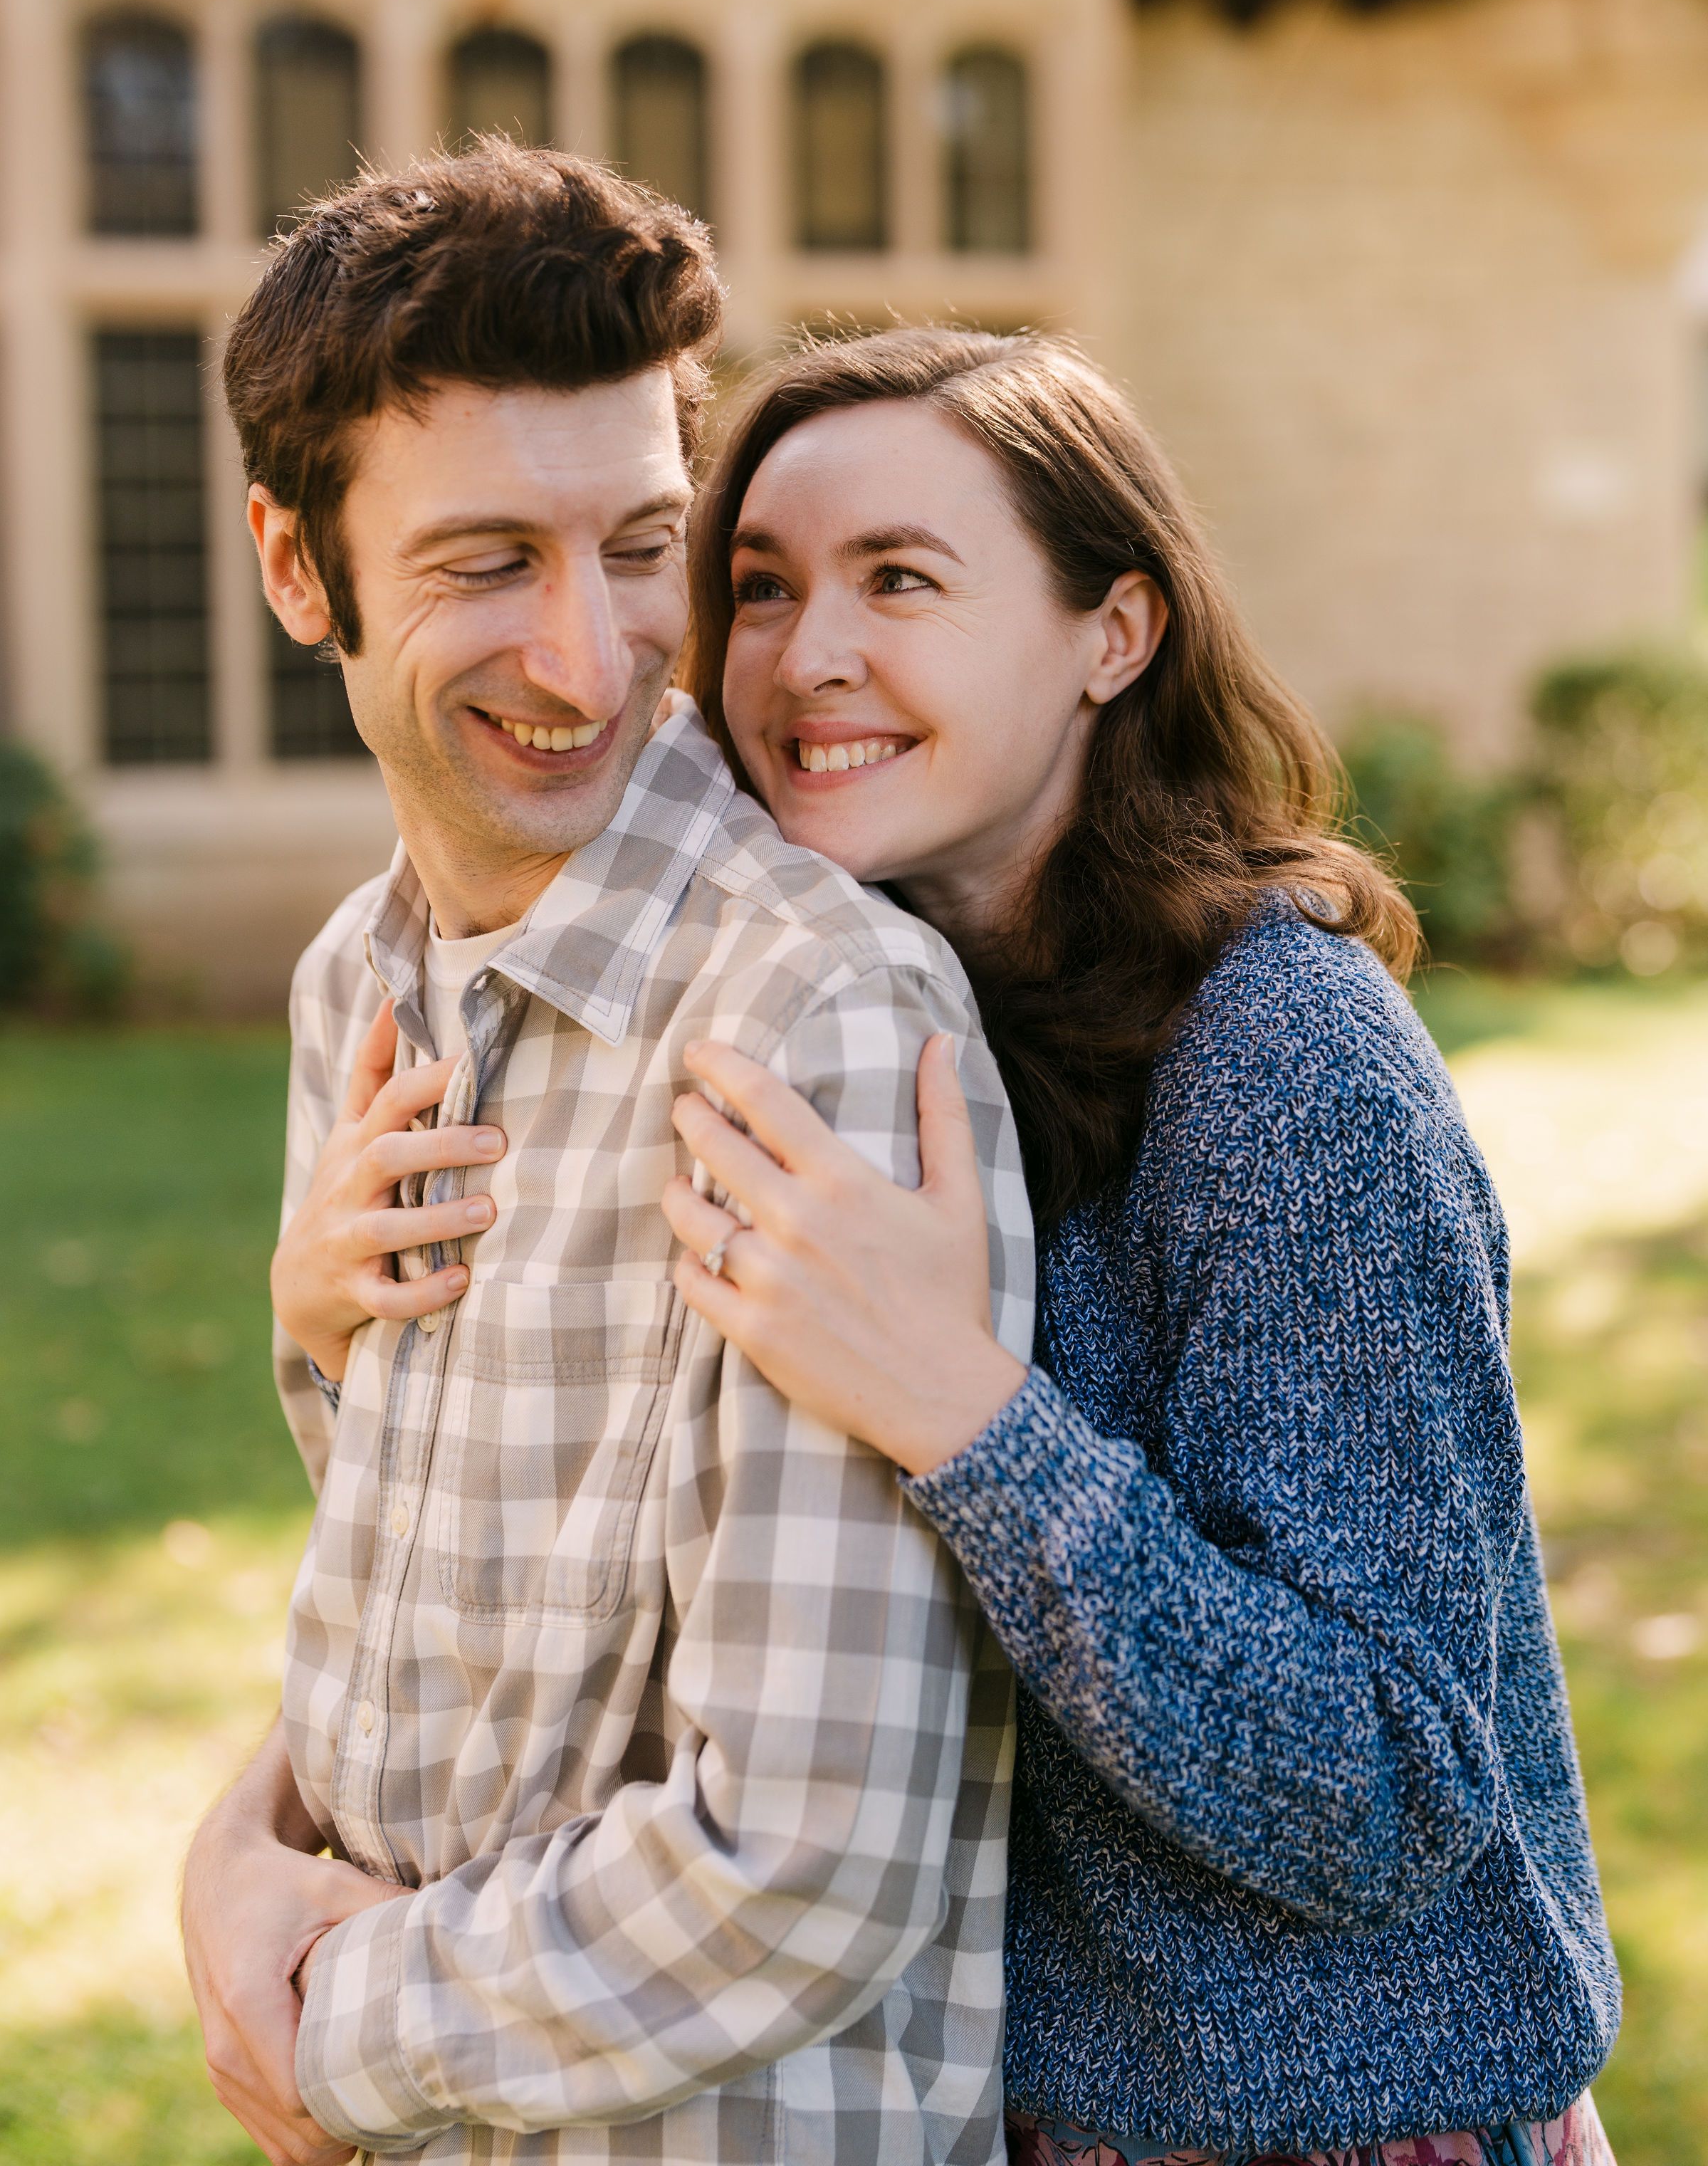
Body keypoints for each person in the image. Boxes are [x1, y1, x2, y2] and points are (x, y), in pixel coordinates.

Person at [268, 320, 1625, 2164]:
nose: (808, 655)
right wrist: (335, 1335)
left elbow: (1387, 1784)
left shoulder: (1288, 1068)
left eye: (899, 579)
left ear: (1113, 633)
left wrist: (973, 1419)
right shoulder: (839, 1014)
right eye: (761, 585)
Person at [179, 149, 1034, 2166]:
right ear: (299, 568)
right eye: (487, 563)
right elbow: (438, 1606)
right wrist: (243, 1850)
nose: (588, 661)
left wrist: (317, 2018)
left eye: (643, 547)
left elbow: (810, 1858)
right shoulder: (359, 982)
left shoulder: (814, 1023)